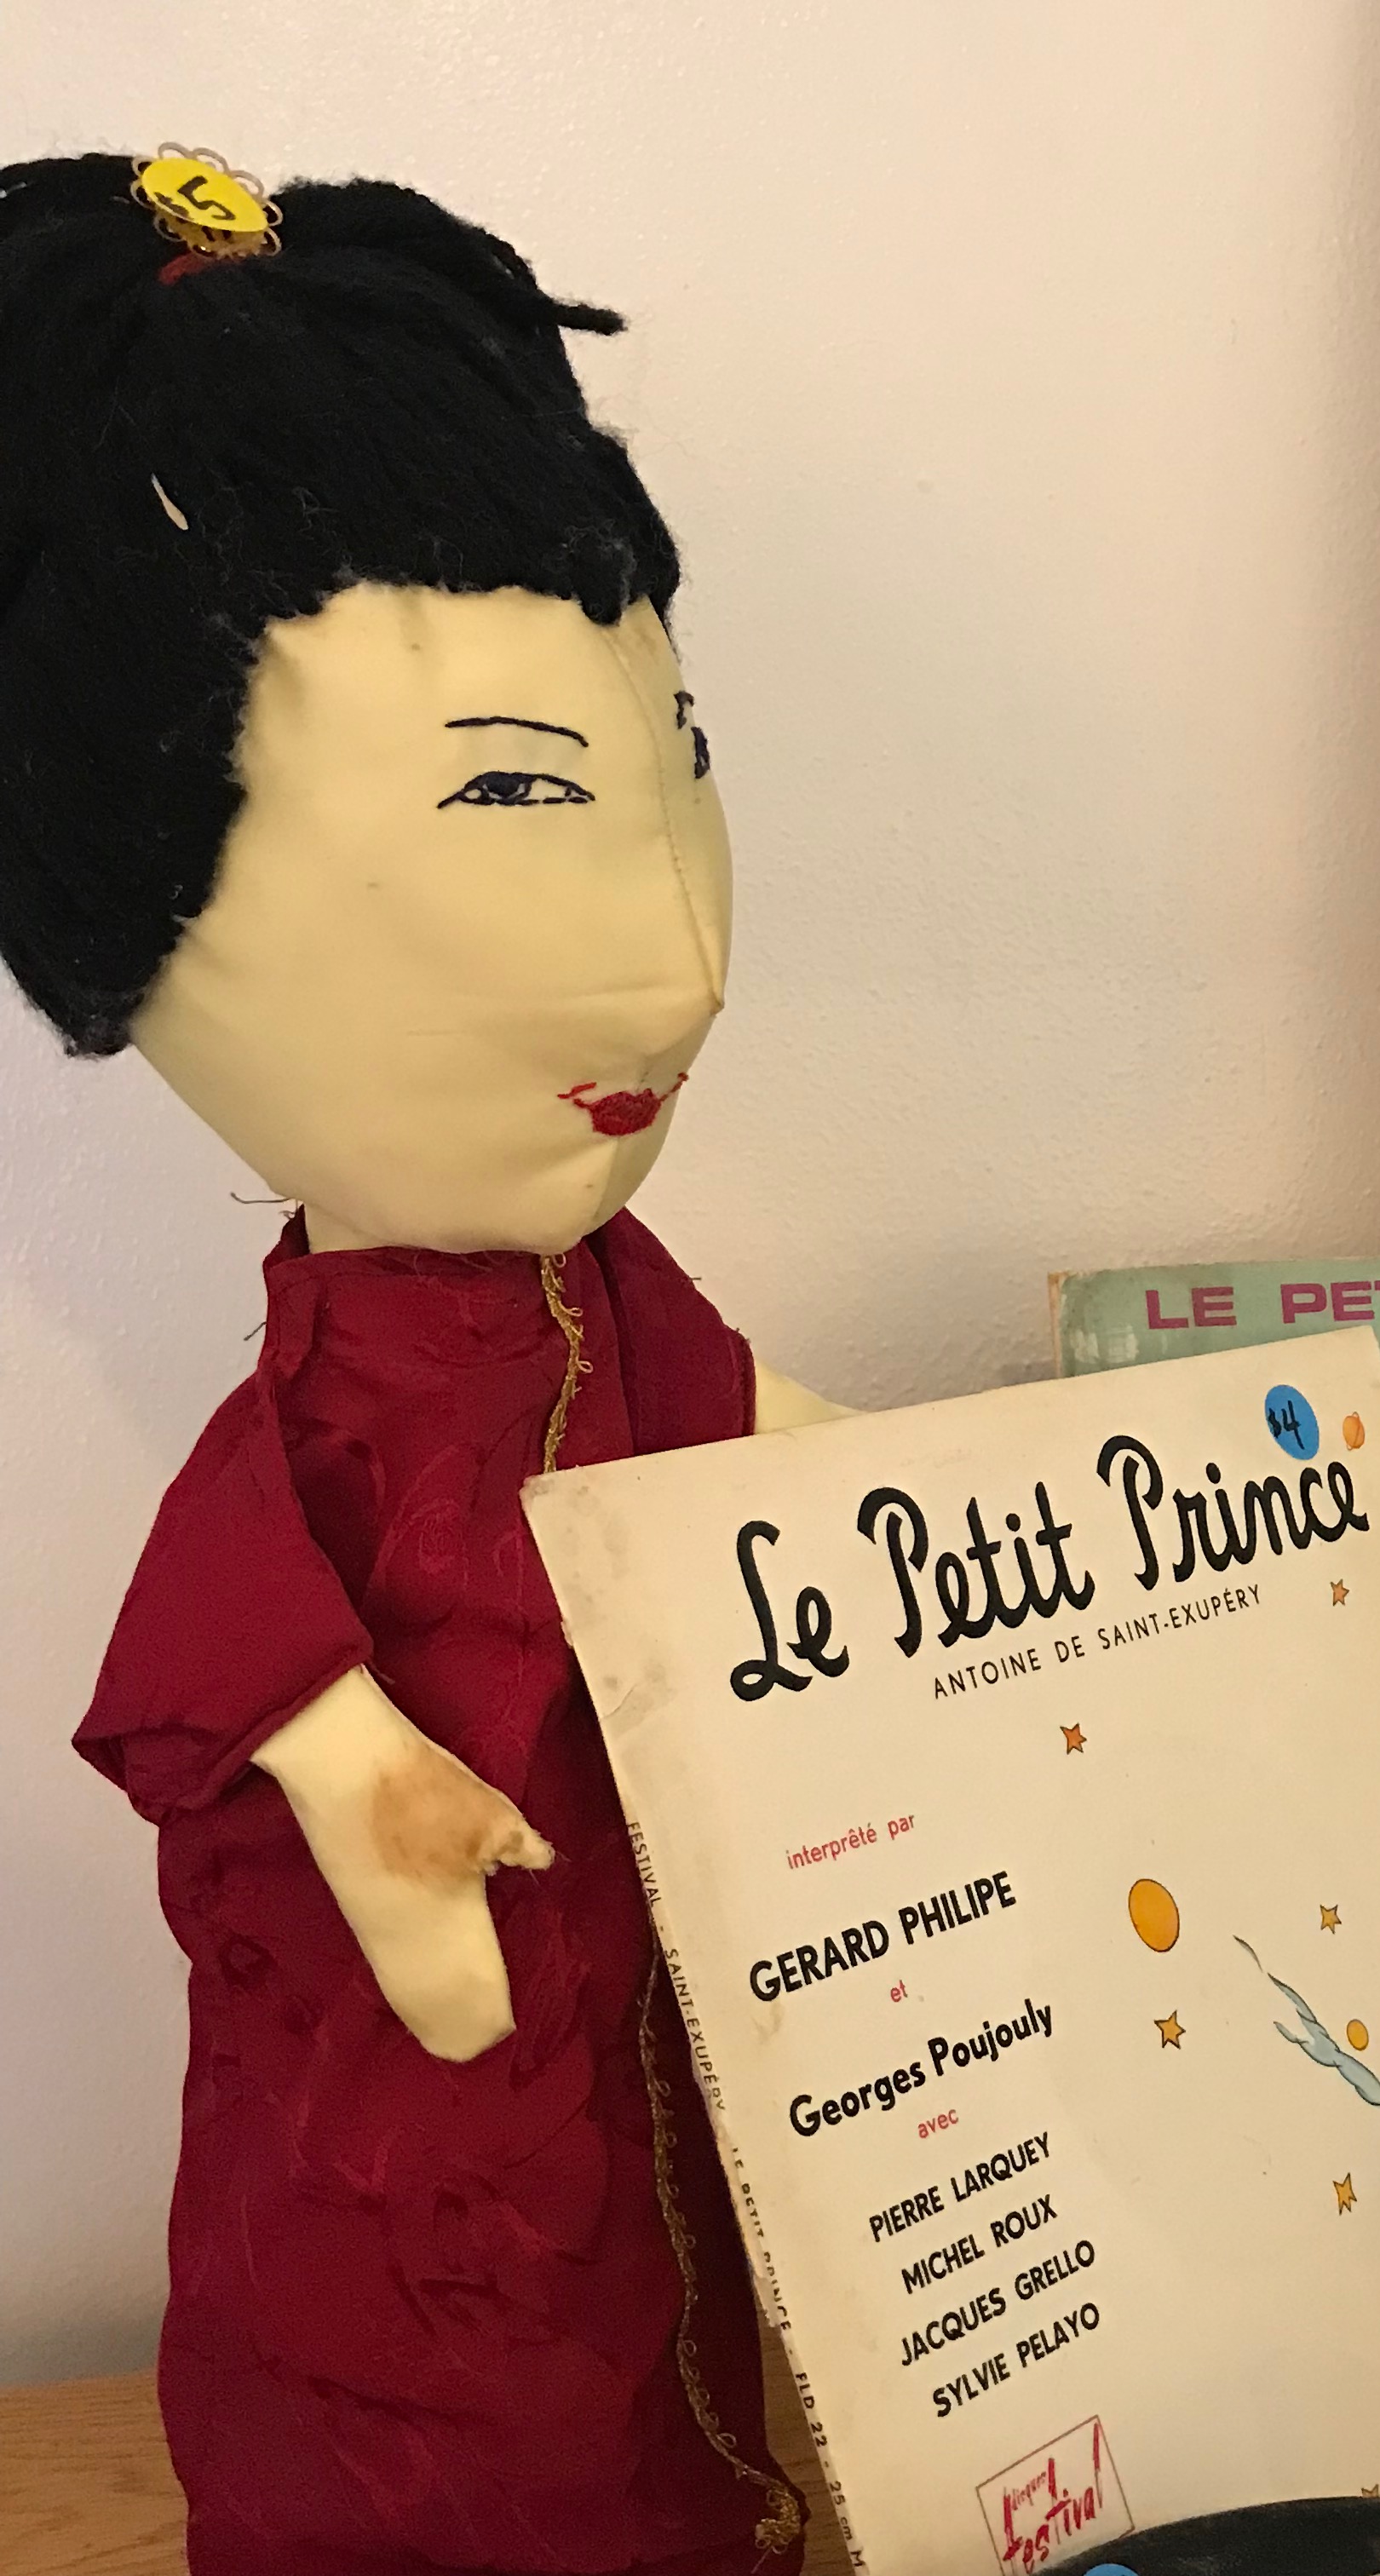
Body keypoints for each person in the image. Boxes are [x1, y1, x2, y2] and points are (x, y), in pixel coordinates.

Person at [0, 157, 832, 2573]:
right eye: (516, 789)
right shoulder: (334, 1386)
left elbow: (743, 1442)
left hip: (645, 1984)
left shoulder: (615, 1301)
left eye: (677, 760)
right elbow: (217, 1616)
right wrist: (356, 1772)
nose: (680, 956)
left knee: (661, 2313)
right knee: (448, 2350)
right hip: (413, 2053)